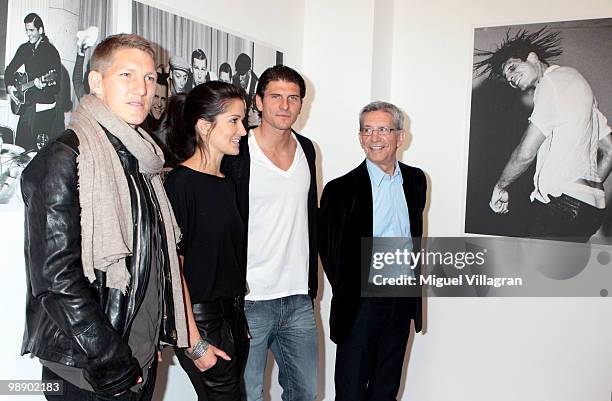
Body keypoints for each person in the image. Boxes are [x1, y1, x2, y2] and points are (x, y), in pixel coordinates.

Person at [20, 33, 188, 400]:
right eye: (127, 75)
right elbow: (54, 280)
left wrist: (148, 331)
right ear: (96, 82)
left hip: (135, 354)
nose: (142, 89)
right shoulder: (62, 159)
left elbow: (151, 257)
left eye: (149, 78)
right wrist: (111, 357)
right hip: (88, 370)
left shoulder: (140, 159)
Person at [222, 65, 318, 401]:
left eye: (293, 98)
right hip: (250, 300)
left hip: (297, 298)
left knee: (304, 393)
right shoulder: (236, 150)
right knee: (247, 394)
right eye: (276, 96)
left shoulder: (307, 149)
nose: (285, 105)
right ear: (259, 102)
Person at [318, 101, 427, 401]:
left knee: (386, 389)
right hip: (361, 305)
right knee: (351, 391)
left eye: (382, 129)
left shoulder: (416, 181)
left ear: (400, 137)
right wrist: (354, 285)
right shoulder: (341, 189)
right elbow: (328, 250)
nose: (374, 137)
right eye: (367, 130)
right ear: (360, 137)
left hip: (401, 299)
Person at [474, 28, 612, 241]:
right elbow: (610, 149)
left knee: (530, 273)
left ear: (532, 57)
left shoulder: (551, 82)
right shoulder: (577, 82)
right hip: (590, 210)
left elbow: (526, 152)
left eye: (512, 67)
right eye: (508, 78)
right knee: (559, 274)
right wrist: (585, 189)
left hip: (562, 206)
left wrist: (501, 186)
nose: (512, 79)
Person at [164, 81, 249, 401]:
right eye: (233, 121)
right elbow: (174, 270)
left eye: (243, 120)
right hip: (201, 321)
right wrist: (194, 342)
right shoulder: (180, 184)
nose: (243, 130)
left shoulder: (227, 183)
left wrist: (239, 322)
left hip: (233, 316)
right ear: (203, 126)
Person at [5, 13, 61, 151]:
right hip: (27, 108)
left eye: (31, 30)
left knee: (40, 156)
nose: (28, 34)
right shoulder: (24, 49)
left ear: (40, 30)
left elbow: (56, 87)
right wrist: (10, 86)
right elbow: (9, 70)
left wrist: (43, 86)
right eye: (26, 30)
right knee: (19, 150)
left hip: (44, 111)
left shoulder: (52, 52)